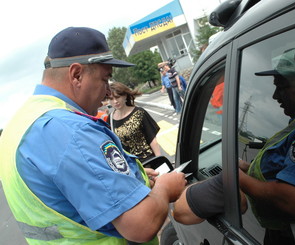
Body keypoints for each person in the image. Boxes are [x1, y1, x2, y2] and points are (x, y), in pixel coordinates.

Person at [0, 27, 186, 245]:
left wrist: (126, 175)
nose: (108, 92)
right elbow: (141, 225)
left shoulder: (20, 124)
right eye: (105, 78)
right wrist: (165, 187)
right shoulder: (71, 130)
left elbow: (62, 185)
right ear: (76, 75)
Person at [174, 47, 295, 245]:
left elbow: (294, 202)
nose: (276, 96)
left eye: (283, 87)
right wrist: (250, 170)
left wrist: (236, 177)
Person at [107, 81, 161, 164]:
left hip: (148, 161)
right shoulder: (110, 119)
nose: (115, 101)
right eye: (111, 99)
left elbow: (152, 140)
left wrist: (160, 161)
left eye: (117, 97)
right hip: (131, 167)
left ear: (125, 96)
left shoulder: (139, 113)